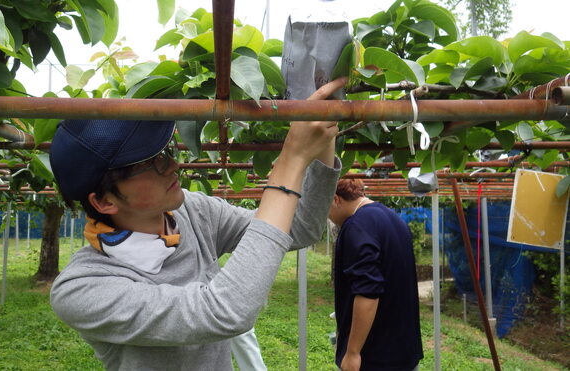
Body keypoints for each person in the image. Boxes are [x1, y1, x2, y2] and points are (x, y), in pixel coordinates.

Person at [48, 78, 346, 370]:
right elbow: (224, 311)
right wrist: (291, 160)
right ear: (104, 202)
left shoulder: (192, 211)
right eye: (149, 163)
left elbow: (300, 228)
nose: (173, 165)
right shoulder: (82, 288)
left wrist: (323, 137)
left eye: (165, 153)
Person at [328, 179, 423, 371]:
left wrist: (353, 352)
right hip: (403, 350)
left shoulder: (356, 225)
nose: (328, 217)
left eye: (325, 210)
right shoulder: (393, 218)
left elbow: (368, 292)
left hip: (375, 355)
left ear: (336, 199)